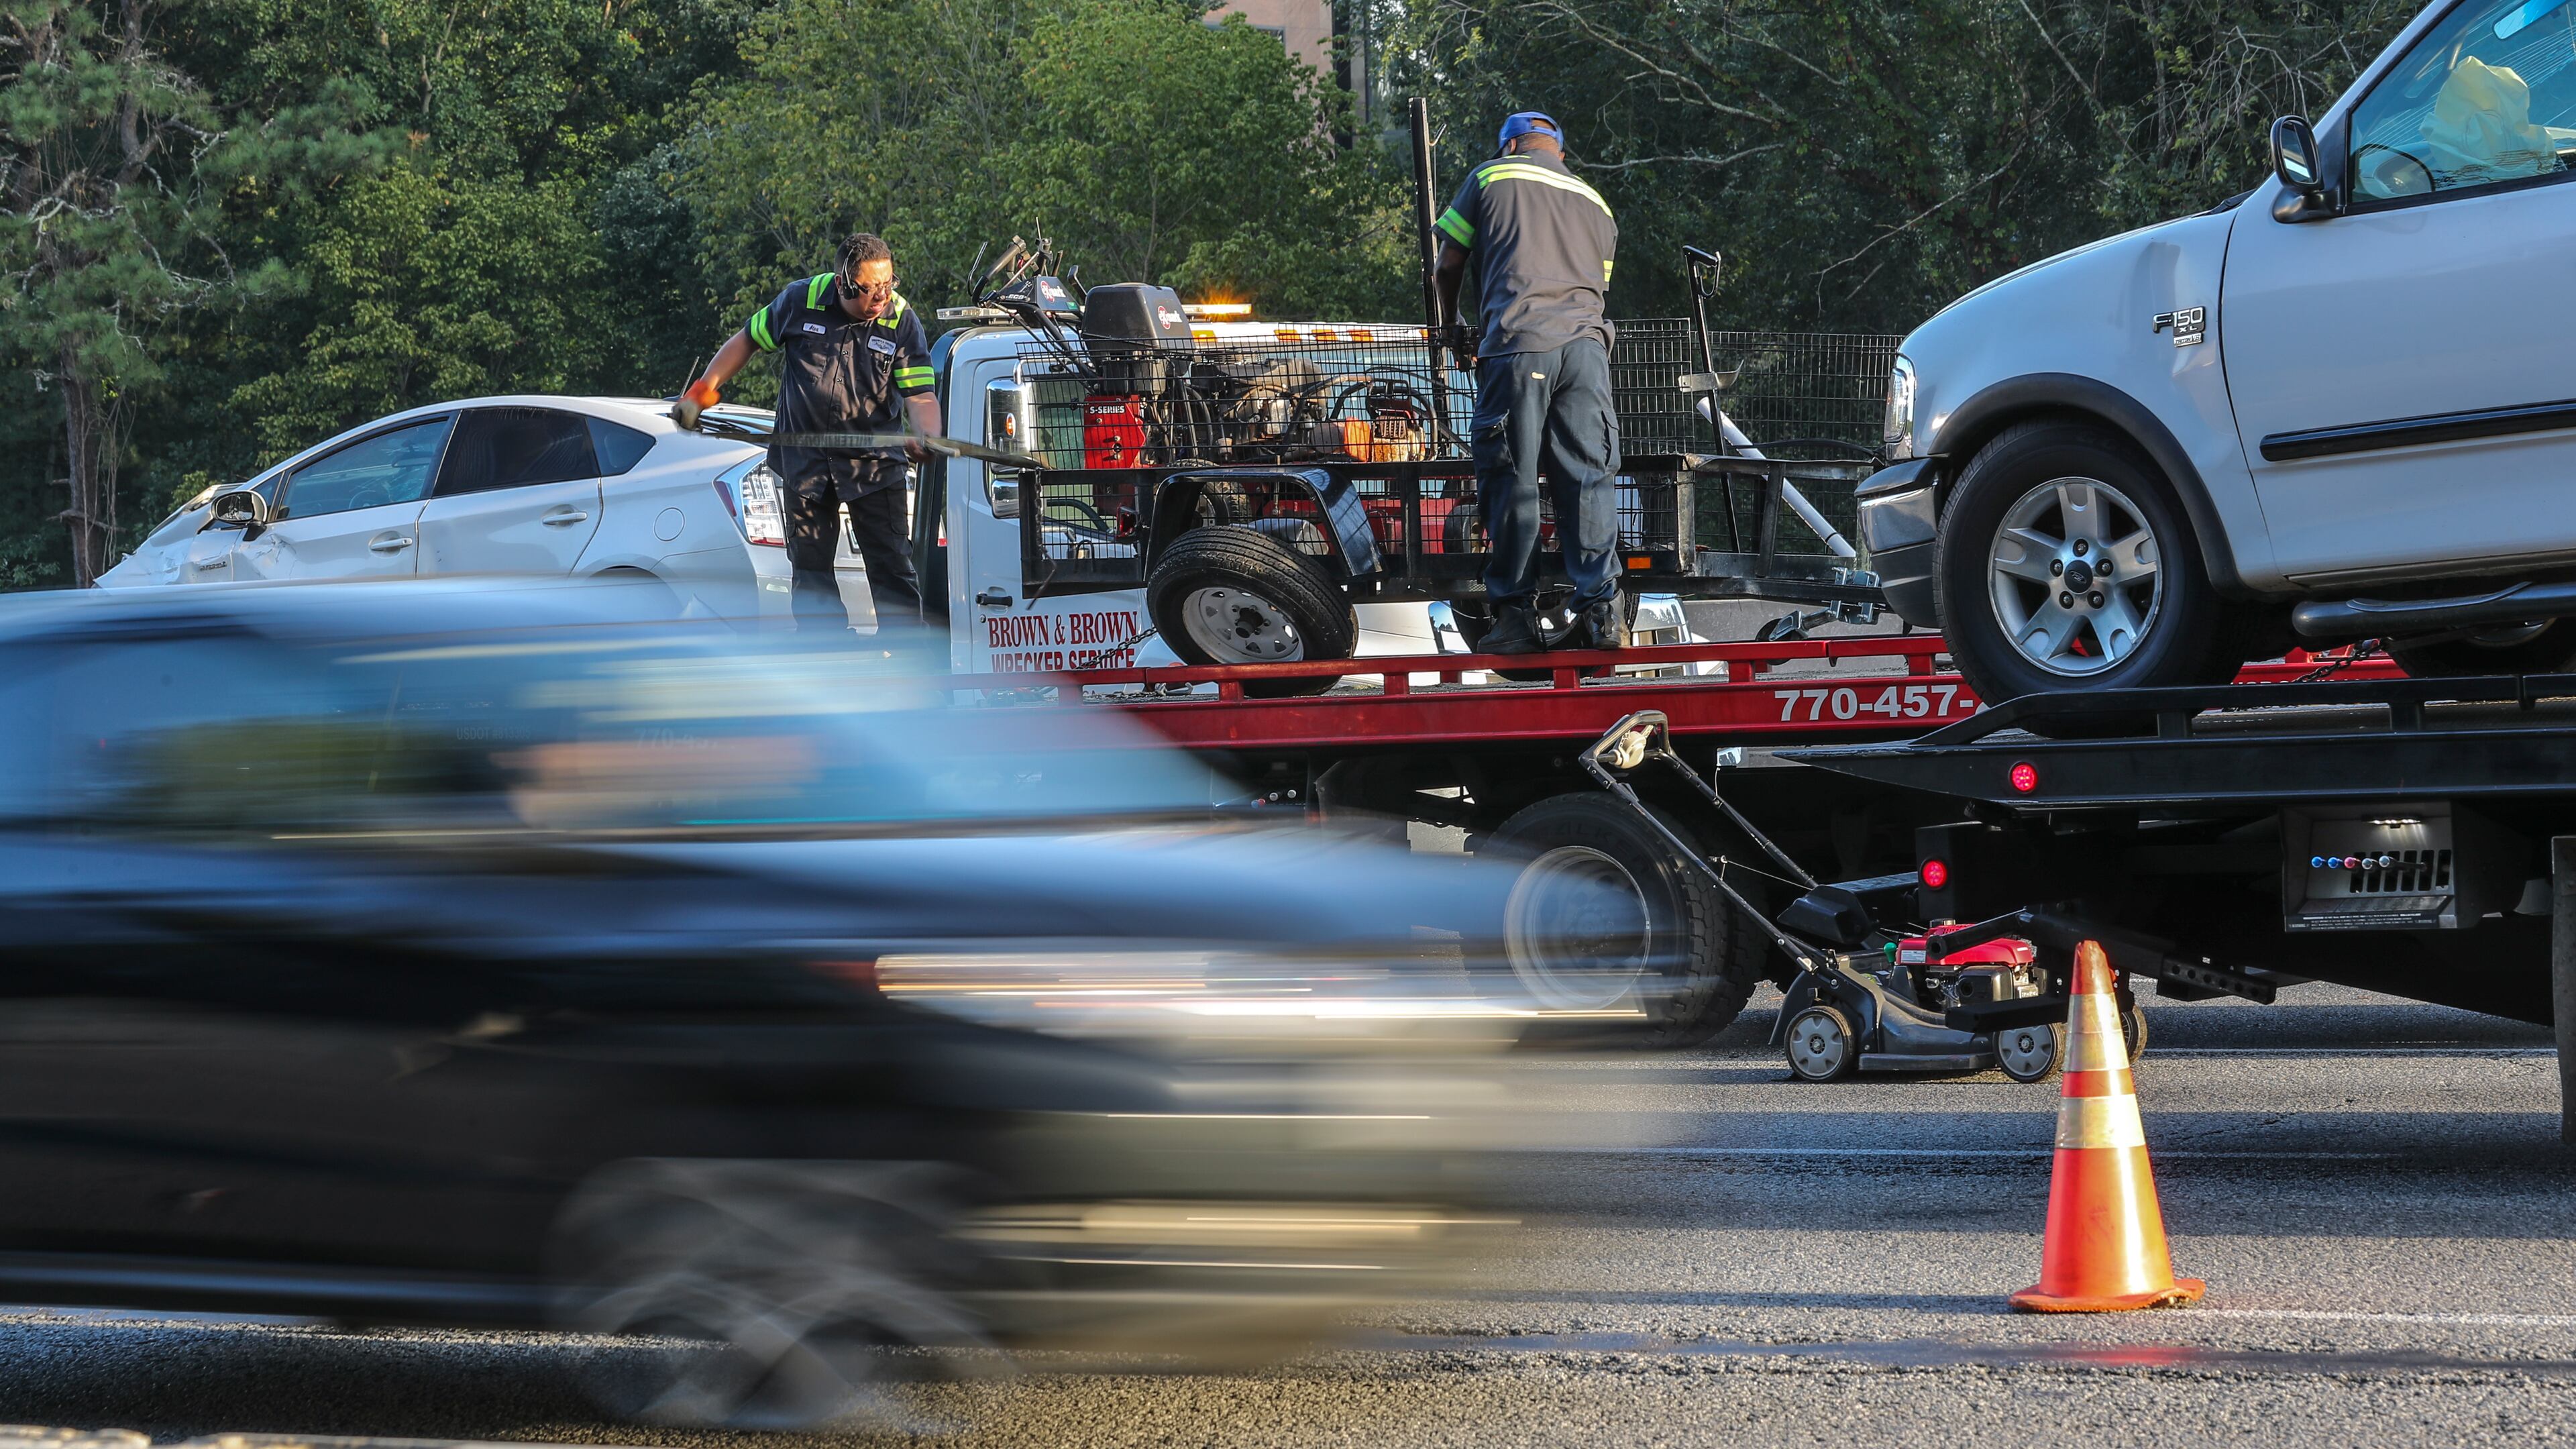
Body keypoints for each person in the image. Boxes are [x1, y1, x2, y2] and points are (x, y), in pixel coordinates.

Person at [677, 233, 942, 633]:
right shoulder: (801, 300)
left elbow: (920, 395)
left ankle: (907, 664)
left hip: (873, 470)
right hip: (806, 468)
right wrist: (701, 393)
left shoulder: (901, 320)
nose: (880, 298)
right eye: (869, 290)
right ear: (842, 284)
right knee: (811, 575)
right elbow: (747, 341)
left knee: (892, 573)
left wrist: (927, 435)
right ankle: (827, 658)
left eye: (888, 285)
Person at [1432, 111, 1621, 654]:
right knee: (1589, 479)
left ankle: (1514, 619)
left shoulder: (1492, 176)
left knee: (1512, 478)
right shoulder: (1596, 202)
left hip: (1519, 345)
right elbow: (1594, 285)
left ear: (1511, 143)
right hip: (1587, 353)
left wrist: (1453, 327)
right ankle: (1603, 617)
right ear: (1559, 150)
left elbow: (1447, 266)